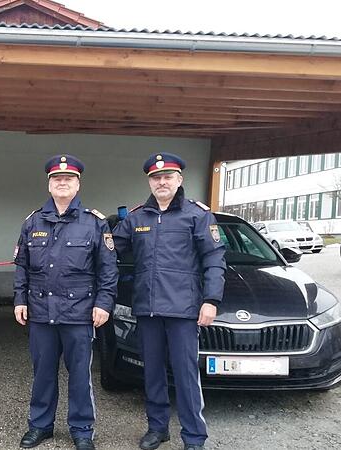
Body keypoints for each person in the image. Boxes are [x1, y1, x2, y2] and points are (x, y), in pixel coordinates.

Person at [112, 152, 226, 450]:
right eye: (156, 178)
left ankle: (193, 437)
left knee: (186, 375)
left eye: (167, 176)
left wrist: (211, 299)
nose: (161, 182)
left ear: (179, 180)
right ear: (149, 182)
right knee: (151, 372)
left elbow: (214, 259)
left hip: (183, 311)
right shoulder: (137, 218)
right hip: (148, 310)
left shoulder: (197, 215)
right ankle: (157, 428)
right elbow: (108, 250)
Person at [13, 155, 118, 450]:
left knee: (80, 376)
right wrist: (20, 299)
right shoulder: (32, 221)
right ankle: (40, 425)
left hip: (80, 314)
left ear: (78, 184)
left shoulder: (94, 223)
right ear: (49, 184)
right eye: (57, 179)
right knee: (43, 374)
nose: (62, 183)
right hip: (40, 312)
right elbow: (21, 265)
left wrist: (104, 303)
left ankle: (82, 429)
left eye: (68, 179)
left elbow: (108, 270)